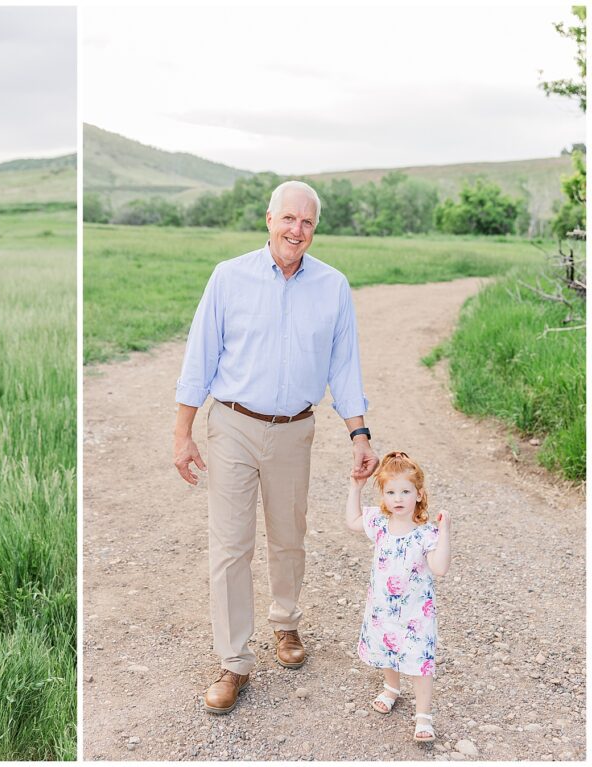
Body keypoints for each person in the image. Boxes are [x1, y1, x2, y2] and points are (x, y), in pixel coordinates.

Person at [173, 180, 378, 715]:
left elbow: (344, 365)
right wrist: (183, 433)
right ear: (269, 220)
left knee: (289, 536)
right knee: (231, 545)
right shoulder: (229, 277)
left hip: (294, 428)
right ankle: (234, 661)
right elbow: (200, 357)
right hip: (234, 425)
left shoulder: (333, 286)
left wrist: (360, 433)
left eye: (307, 222)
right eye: (289, 219)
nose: (297, 230)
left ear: (315, 228)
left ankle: (286, 625)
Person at [345, 451, 451, 742]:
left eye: (405, 491)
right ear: (384, 495)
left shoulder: (425, 533)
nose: (398, 498)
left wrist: (445, 532)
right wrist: (355, 487)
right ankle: (391, 688)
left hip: (416, 614)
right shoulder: (380, 523)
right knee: (387, 649)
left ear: (418, 494)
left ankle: (423, 715)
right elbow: (353, 520)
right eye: (391, 492)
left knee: (420, 660)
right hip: (384, 608)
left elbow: (439, 568)